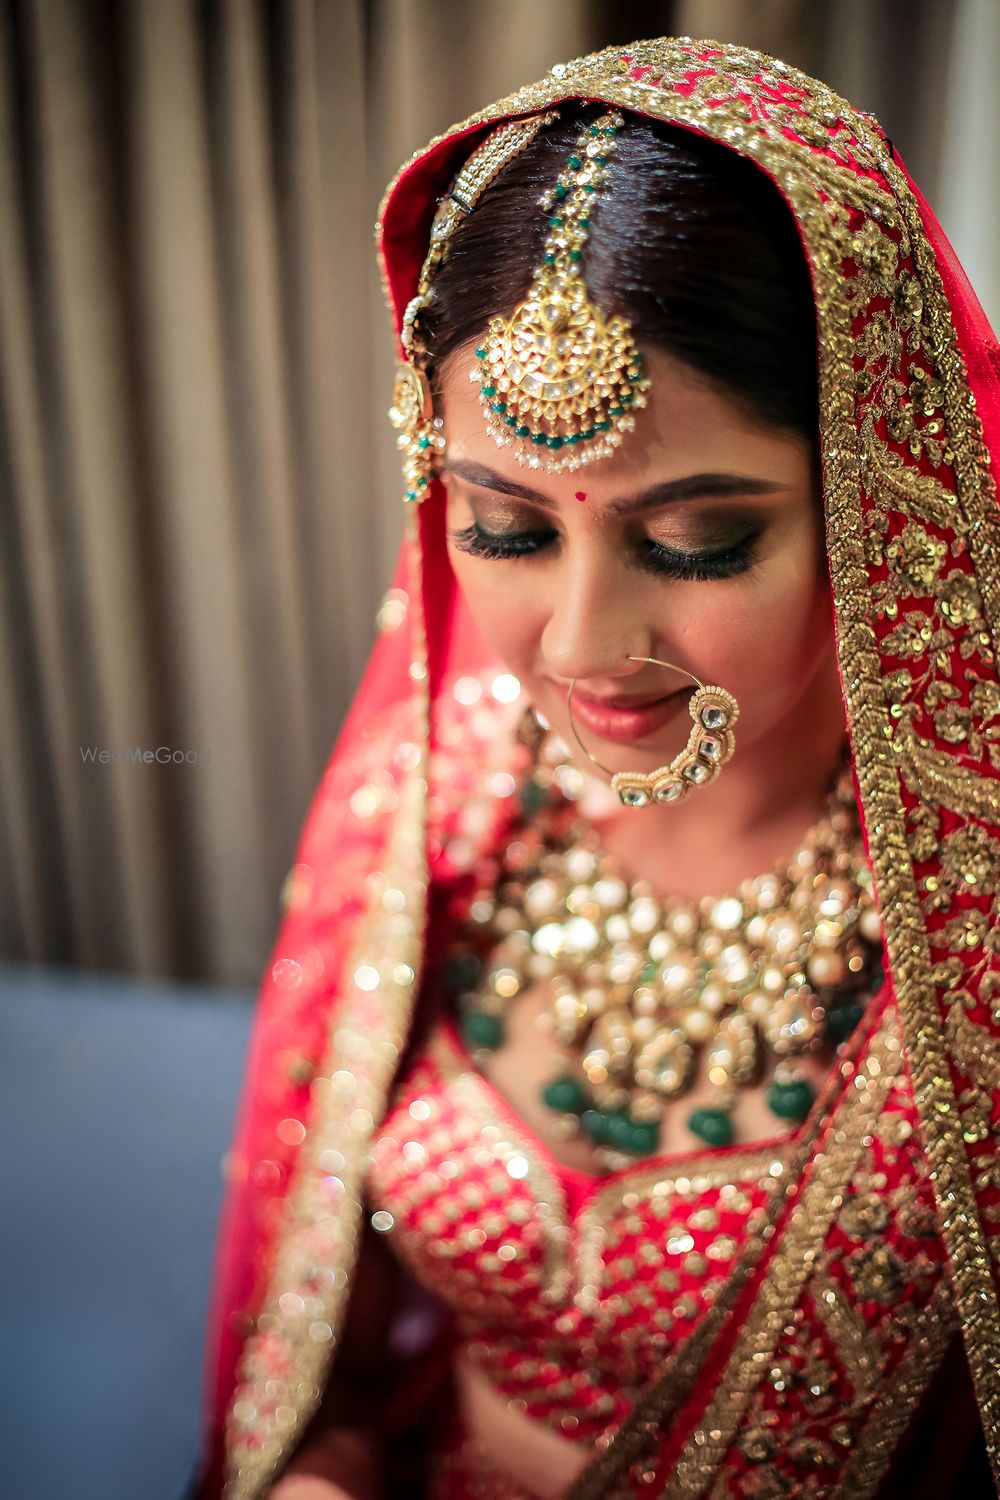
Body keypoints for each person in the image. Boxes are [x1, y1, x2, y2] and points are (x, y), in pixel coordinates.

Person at [190, 36, 1000, 1500]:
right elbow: (333, 1339)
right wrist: (328, 1465)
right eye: (503, 527)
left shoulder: (969, 917)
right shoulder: (446, 804)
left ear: (887, 500)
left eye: (697, 542)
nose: (578, 645)